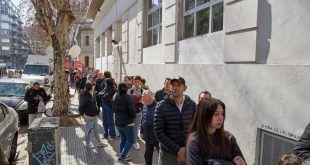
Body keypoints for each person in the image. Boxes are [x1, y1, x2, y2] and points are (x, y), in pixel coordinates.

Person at [186, 98, 246, 165]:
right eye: (216, 114)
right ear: (205, 116)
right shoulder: (195, 142)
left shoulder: (229, 138)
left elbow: (241, 162)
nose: (221, 118)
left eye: (222, 114)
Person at [154, 76, 196, 165]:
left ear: (185, 88)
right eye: (173, 85)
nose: (175, 88)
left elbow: (196, 128)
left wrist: (186, 148)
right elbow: (158, 132)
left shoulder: (192, 105)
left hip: (187, 152)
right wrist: (177, 150)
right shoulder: (161, 106)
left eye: (178, 85)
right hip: (168, 153)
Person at [113, 82, 136, 163]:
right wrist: (134, 117)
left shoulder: (115, 96)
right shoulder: (127, 97)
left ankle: (123, 155)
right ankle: (122, 157)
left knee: (123, 139)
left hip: (118, 122)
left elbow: (113, 108)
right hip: (127, 123)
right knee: (131, 140)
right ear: (126, 89)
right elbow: (132, 110)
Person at [79, 83, 107, 149]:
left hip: (94, 115)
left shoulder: (92, 94)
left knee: (96, 129)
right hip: (89, 116)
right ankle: (87, 143)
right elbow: (81, 107)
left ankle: (98, 142)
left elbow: (94, 103)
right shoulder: (84, 95)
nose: (94, 87)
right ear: (90, 88)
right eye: (93, 87)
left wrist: (97, 111)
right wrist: (82, 115)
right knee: (88, 130)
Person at [140, 90, 159, 165]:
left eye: (143, 96)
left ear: (150, 98)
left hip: (158, 137)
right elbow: (143, 120)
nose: (142, 98)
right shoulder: (144, 106)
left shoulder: (158, 107)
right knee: (147, 155)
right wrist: (141, 131)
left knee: (162, 156)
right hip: (148, 136)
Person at [128, 75, 144, 150]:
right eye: (134, 82)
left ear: (140, 82)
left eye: (137, 82)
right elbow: (127, 101)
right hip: (130, 113)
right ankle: (131, 141)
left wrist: (142, 101)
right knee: (130, 127)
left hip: (139, 112)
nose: (136, 83)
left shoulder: (143, 91)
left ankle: (134, 142)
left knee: (136, 128)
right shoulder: (130, 90)